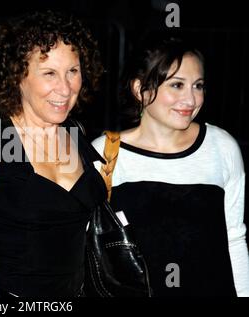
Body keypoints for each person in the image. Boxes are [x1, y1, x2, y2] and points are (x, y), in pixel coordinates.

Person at [0, 11, 107, 297]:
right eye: (49, 73)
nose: (65, 88)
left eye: (73, 71)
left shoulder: (76, 133)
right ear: (17, 77)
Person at [92, 36, 249, 296]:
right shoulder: (106, 153)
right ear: (139, 88)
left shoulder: (221, 147)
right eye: (177, 85)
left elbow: (234, 238)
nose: (191, 99)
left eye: (198, 86)